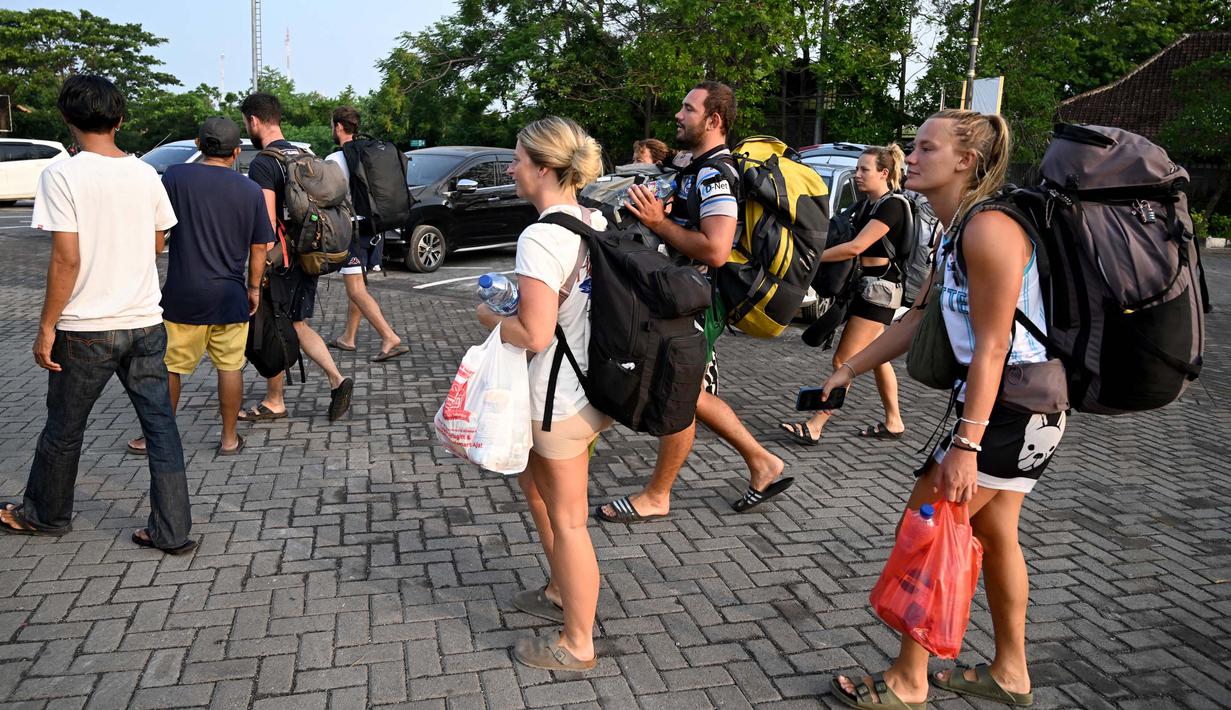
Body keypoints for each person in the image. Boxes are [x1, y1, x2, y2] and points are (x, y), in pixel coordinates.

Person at [826, 109, 1064, 709]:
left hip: (1011, 407)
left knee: (930, 525)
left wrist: (965, 444)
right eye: (915, 145)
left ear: (965, 161)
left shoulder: (989, 230)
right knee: (995, 531)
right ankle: (1011, 673)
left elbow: (993, 345)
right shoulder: (954, 229)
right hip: (1012, 405)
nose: (913, 154)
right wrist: (848, 368)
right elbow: (918, 318)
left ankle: (909, 681)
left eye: (927, 147)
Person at [0, 75, 196, 554]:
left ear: (67, 118)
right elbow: (156, 242)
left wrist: (46, 327)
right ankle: (172, 531)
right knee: (161, 428)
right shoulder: (146, 174)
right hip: (146, 322)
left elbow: (66, 258)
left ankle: (45, 515)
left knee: (64, 429)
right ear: (120, 118)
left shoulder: (63, 174)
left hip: (86, 328)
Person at [597, 81, 789, 522]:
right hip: (686, 300)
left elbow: (716, 249)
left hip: (699, 302)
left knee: (679, 391)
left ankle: (658, 496)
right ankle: (762, 463)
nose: (679, 116)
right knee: (692, 392)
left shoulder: (715, 174)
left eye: (688, 109)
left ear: (713, 120)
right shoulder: (696, 168)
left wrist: (659, 224)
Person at [475, 116, 609, 672]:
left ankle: (578, 643)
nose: (511, 168)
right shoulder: (593, 218)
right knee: (539, 496)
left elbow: (533, 332)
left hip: (558, 399)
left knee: (571, 520)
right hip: (589, 387)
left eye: (518, 161)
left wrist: (488, 315)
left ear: (546, 170)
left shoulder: (540, 236)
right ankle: (559, 588)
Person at [125, 117, 273, 457]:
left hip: (183, 295)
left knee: (171, 367)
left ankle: (156, 438)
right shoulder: (250, 190)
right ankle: (229, 439)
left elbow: (157, 226)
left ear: (197, 144)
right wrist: (253, 289)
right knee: (230, 366)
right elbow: (259, 247)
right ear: (237, 152)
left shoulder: (176, 177)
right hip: (230, 296)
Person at [780, 145, 910, 446]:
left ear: (884, 173)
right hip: (868, 287)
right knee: (878, 357)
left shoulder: (892, 206)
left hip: (879, 291)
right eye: (858, 168)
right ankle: (894, 421)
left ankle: (815, 425)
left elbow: (855, 247)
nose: (858, 174)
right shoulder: (867, 205)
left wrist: (813, 259)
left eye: (865, 169)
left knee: (844, 360)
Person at [237, 93, 353, 422]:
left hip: (281, 258)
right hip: (309, 251)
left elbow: (266, 219)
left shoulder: (263, 163)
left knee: (274, 323)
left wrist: (257, 271)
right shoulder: (303, 154)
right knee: (296, 323)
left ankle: (275, 400)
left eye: (247, 123)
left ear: (254, 121)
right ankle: (337, 379)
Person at [324, 106, 408, 361]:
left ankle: (389, 336)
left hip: (351, 230)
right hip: (373, 228)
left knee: (356, 290)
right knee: (357, 284)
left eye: (332, 126)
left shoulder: (336, 159)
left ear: (338, 127)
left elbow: (328, 196)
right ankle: (348, 338)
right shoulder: (367, 152)